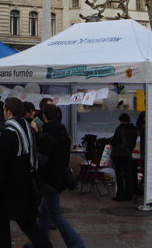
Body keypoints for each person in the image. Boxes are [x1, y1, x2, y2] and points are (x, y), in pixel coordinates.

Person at [0, 97, 52, 248]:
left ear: (9, 112)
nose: (3, 112)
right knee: (28, 224)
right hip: (28, 183)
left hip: (10, 187)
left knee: (2, 222)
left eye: (4, 109)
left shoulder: (9, 133)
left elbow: (1, 166)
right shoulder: (28, 127)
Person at [36, 104, 85, 247]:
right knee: (44, 212)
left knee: (55, 215)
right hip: (61, 176)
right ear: (57, 115)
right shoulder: (63, 132)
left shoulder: (47, 136)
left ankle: (77, 244)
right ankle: (40, 242)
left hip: (49, 179)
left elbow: (42, 161)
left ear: (43, 116)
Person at [110, 113, 138, 202]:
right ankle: (129, 195)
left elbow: (114, 141)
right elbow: (134, 142)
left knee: (119, 176)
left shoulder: (120, 129)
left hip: (118, 155)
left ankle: (120, 195)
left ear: (121, 120)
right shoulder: (134, 130)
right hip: (128, 154)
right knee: (128, 175)